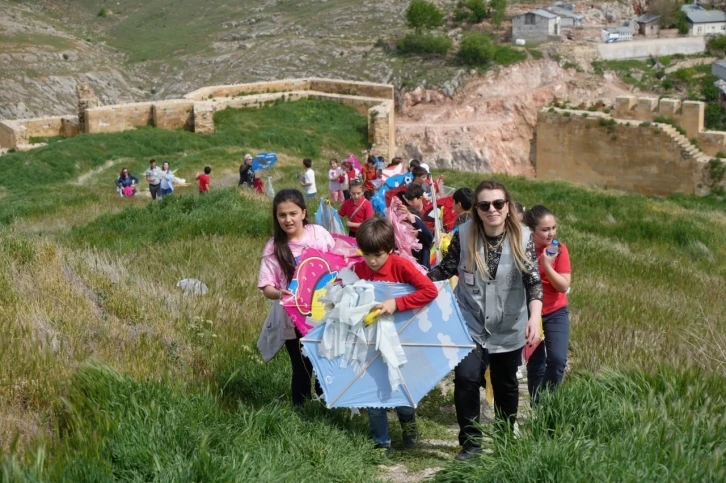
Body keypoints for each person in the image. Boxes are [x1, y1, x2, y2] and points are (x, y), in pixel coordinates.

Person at [428, 179, 543, 461]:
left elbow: (533, 281)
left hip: (509, 324)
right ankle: (471, 445)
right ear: (477, 210)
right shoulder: (463, 234)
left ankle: (505, 441)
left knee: (505, 384)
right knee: (465, 379)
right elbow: (444, 269)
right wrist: (409, 277)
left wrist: (535, 316)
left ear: (507, 207)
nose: (492, 209)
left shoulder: (524, 237)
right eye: (484, 205)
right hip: (471, 322)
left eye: (498, 203)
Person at [352, 217, 439, 454]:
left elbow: (429, 291)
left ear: (390, 249)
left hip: (400, 338)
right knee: (373, 392)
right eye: (366, 254)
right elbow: (345, 291)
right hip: (370, 341)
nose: (371, 260)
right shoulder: (357, 269)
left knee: (401, 387)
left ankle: (409, 429)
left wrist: (397, 303)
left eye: (377, 255)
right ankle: (381, 442)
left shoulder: (401, 266)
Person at [258, 189, 336, 407]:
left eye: (292, 213)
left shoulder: (318, 234)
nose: (287, 219)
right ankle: (301, 412)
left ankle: (327, 407)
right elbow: (266, 286)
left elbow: (337, 263)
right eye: (282, 215)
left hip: (325, 314)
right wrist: (278, 293)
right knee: (301, 366)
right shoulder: (273, 247)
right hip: (292, 318)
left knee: (325, 361)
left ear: (303, 212)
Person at [523, 205, 571, 402]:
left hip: (555, 311)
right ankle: (538, 408)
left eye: (553, 228)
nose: (551, 233)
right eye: (545, 229)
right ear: (532, 230)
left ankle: (548, 400)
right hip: (528, 312)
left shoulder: (558, 249)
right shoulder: (522, 248)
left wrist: (547, 266)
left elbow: (563, 285)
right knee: (535, 363)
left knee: (558, 360)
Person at [401, 184, 434, 270]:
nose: (410, 203)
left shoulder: (431, 210)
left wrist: (419, 233)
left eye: (412, 200)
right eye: (408, 200)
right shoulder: (407, 211)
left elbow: (428, 235)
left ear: (420, 198)